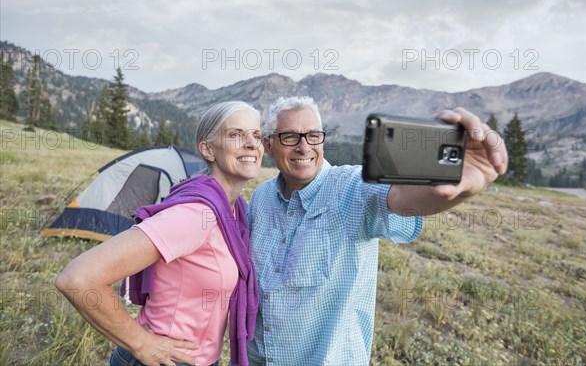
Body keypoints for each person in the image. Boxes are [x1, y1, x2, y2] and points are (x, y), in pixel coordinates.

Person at [246, 96, 508, 365]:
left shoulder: (348, 188)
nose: (304, 147)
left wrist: (454, 186)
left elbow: (402, 198)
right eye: (290, 137)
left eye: (313, 135)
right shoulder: (261, 198)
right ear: (269, 144)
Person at [56, 101, 264, 366]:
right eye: (235, 134)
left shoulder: (234, 212)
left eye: (256, 135)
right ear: (208, 149)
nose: (250, 144)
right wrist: (141, 343)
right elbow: (78, 278)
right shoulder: (197, 215)